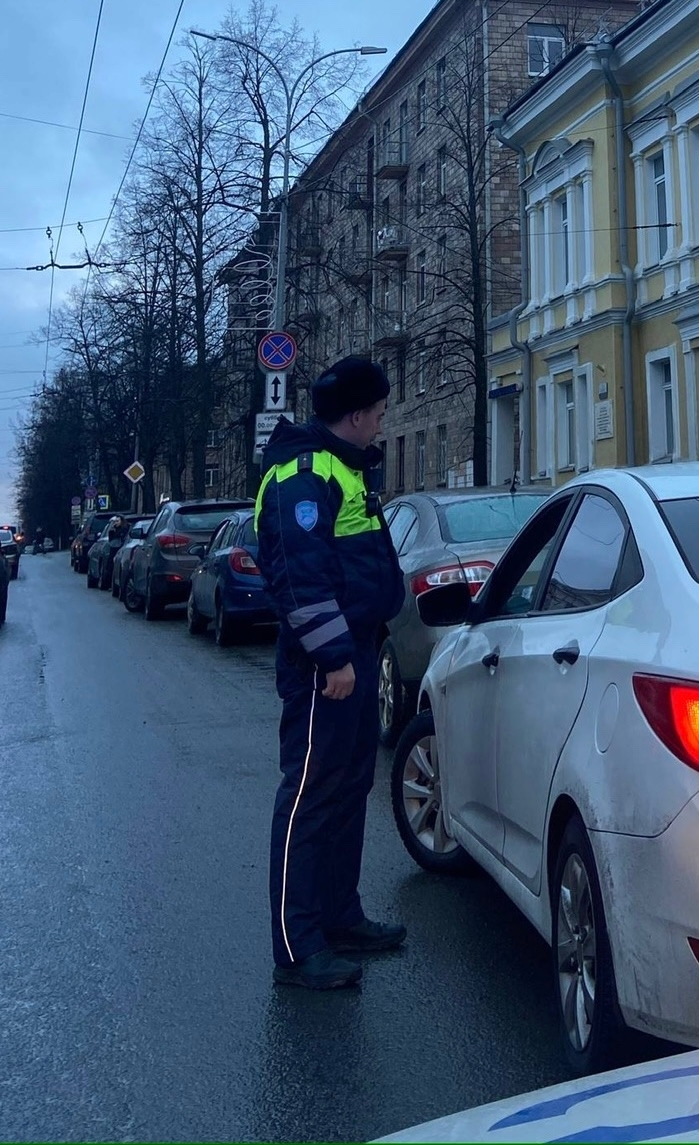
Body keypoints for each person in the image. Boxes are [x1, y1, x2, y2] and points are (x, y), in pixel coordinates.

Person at [254, 356, 407, 990]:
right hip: (328, 666)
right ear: (353, 415)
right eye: (376, 414)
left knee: (346, 792)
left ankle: (340, 918)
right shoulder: (302, 475)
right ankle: (297, 946)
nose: (380, 423)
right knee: (310, 799)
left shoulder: (342, 469)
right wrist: (334, 656)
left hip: (355, 655)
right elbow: (300, 578)